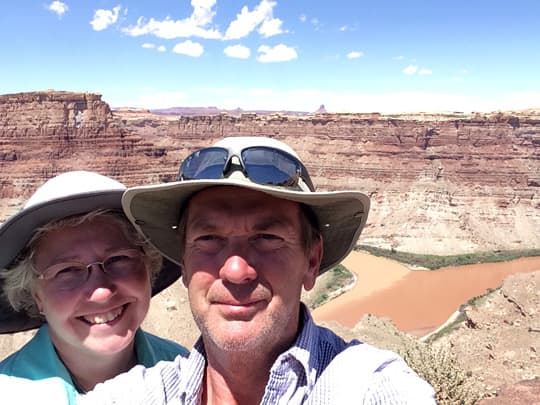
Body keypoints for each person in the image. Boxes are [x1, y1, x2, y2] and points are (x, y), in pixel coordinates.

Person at [80, 136, 436, 404]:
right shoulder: (139, 394)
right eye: (209, 238)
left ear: (311, 261)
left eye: (267, 237)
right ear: (184, 264)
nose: (236, 270)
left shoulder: (366, 387)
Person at [0, 171, 188, 403]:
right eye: (67, 270)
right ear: (35, 294)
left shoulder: (189, 376)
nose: (100, 291)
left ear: (149, 266)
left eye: (118, 259)